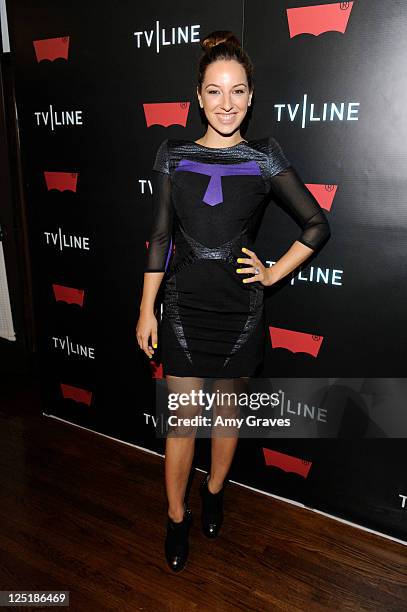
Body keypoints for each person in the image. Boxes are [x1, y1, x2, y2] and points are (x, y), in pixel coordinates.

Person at [136, 30, 331, 572]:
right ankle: (176, 518)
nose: (227, 103)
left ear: (251, 96)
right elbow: (159, 238)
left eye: (238, 91)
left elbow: (317, 224)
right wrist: (145, 308)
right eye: (215, 92)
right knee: (181, 423)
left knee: (225, 416)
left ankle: (215, 493)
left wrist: (272, 274)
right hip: (180, 310)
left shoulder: (265, 157)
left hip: (240, 313)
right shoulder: (173, 154)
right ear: (198, 97)